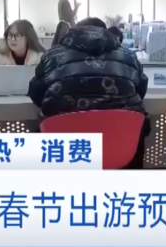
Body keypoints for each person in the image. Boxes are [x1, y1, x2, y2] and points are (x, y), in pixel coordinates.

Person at [30, 17, 149, 168]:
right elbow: (141, 89)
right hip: (121, 145)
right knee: (141, 124)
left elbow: (36, 92)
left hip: (65, 143)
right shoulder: (128, 56)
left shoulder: (52, 55)